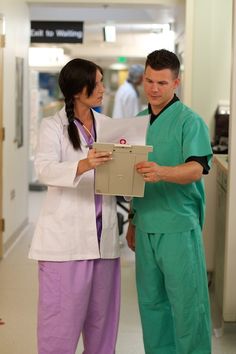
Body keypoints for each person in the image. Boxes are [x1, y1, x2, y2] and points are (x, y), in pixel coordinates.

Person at [29, 58, 120, 354]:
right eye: (98, 82)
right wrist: (84, 164)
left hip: (102, 240)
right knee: (59, 328)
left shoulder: (107, 126)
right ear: (79, 90)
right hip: (65, 246)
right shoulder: (52, 126)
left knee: (102, 326)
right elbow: (44, 169)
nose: (103, 88)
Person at [126, 49, 213, 354]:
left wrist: (162, 172)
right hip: (146, 222)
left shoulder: (190, 121)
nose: (153, 88)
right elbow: (132, 176)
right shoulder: (137, 121)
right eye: (149, 80)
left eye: (162, 83)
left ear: (177, 82)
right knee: (152, 304)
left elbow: (196, 168)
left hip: (178, 225)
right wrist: (133, 221)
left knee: (188, 306)